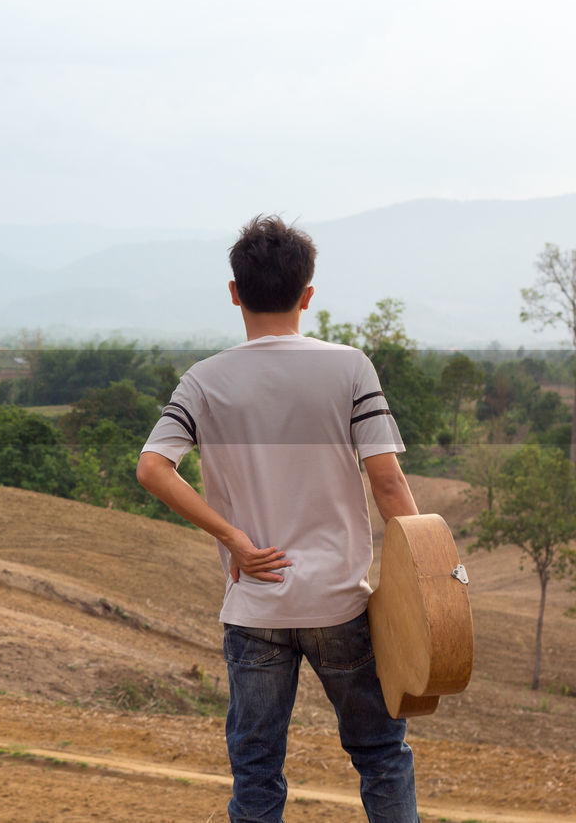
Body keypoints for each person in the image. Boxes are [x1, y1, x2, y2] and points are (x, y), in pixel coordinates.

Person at [136, 214, 421, 822]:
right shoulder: (350, 368)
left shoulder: (203, 380)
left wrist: (234, 538)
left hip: (255, 607)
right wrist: (434, 572)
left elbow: (153, 468)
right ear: (308, 294)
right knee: (380, 756)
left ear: (235, 292)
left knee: (257, 771)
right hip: (340, 603)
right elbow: (389, 482)